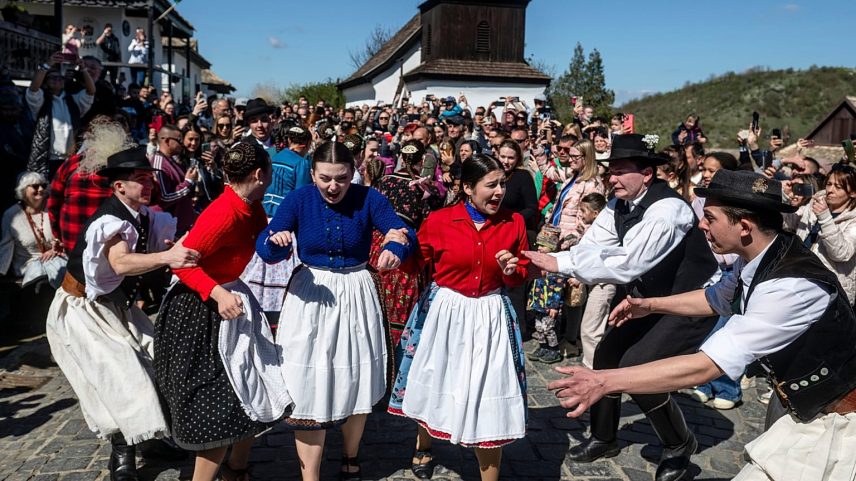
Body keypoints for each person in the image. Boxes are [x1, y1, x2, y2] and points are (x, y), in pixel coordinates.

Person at [552, 169, 856, 481]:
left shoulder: (789, 286)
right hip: (798, 403)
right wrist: (650, 305)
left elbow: (706, 366)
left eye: (709, 217)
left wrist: (603, 382)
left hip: (836, 421)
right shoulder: (760, 255)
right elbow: (715, 299)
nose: (701, 224)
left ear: (745, 227)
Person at [523, 133, 719, 481]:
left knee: (638, 369)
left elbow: (627, 264)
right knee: (605, 356)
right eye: (609, 170)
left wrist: (560, 264)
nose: (611, 178)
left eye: (621, 171)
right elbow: (594, 246)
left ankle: (678, 444)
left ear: (646, 174)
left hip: (689, 302)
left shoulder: (668, 210)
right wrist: (557, 259)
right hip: (645, 300)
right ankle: (604, 437)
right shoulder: (618, 205)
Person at [256, 141, 416, 481]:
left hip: (357, 292)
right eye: (325, 178)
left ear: (352, 173)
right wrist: (275, 240)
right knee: (305, 378)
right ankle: (310, 475)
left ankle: (350, 455)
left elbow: (402, 232)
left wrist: (395, 246)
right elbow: (266, 244)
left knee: (354, 373)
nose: (333, 186)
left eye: (341, 178)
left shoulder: (369, 198)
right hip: (310, 295)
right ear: (312, 174)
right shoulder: (299, 200)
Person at [45, 146, 198, 481]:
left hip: (117, 308)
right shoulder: (111, 221)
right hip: (82, 311)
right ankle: (121, 454)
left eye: (148, 178)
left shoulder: (144, 215)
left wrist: (176, 249)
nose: (147, 184)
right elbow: (121, 262)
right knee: (122, 378)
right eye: (139, 179)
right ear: (119, 187)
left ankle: (152, 439)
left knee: (160, 363)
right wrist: (167, 259)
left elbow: (157, 249)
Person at [389, 154, 530, 481]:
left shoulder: (514, 223)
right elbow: (415, 266)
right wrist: (401, 248)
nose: (499, 192)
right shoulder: (439, 220)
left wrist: (513, 270)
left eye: (502, 184)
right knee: (436, 379)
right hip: (445, 314)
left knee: (490, 390)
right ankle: (423, 444)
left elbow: (520, 272)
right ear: (468, 187)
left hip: (491, 314)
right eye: (491, 185)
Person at [155, 141, 290, 481]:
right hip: (198, 310)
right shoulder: (223, 213)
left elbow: (262, 246)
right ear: (261, 174)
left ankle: (237, 470)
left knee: (250, 389)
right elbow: (181, 264)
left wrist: (278, 246)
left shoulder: (251, 205)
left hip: (231, 302)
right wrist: (216, 293)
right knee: (220, 403)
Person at [367, 139, 444, 344]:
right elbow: (431, 220)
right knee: (401, 300)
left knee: (375, 293)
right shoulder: (423, 187)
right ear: (421, 160)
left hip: (377, 244)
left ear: (401, 157)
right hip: (406, 244)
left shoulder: (384, 180)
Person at [47, 117, 127, 252]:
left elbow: (53, 204)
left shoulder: (71, 164)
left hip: (74, 241)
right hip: (111, 245)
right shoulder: (122, 166)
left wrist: (57, 236)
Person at [785, 163, 856, 304]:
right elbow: (786, 223)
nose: (830, 190)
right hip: (799, 278)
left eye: (838, 187)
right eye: (829, 184)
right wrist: (786, 197)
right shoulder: (816, 201)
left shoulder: (853, 219)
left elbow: (841, 253)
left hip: (831, 292)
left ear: (853, 193)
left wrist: (824, 217)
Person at [26, 52, 96, 178]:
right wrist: (47, 65)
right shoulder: (41, 102)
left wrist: (83, 68)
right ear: (46, 82)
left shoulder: (73, 101)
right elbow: (33, 90)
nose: (57, 80)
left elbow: (91, 91)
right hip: (49, 160)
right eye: (52, 78)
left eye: (60, 78)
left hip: (73, 159)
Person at [150, 124, 198, 236]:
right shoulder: (158, 163)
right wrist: (188, 183)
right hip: (167, 228)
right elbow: (164, 197)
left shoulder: (171, 160)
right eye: (179, 140)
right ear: (167, 141)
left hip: (179, 225)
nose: (183, 144)